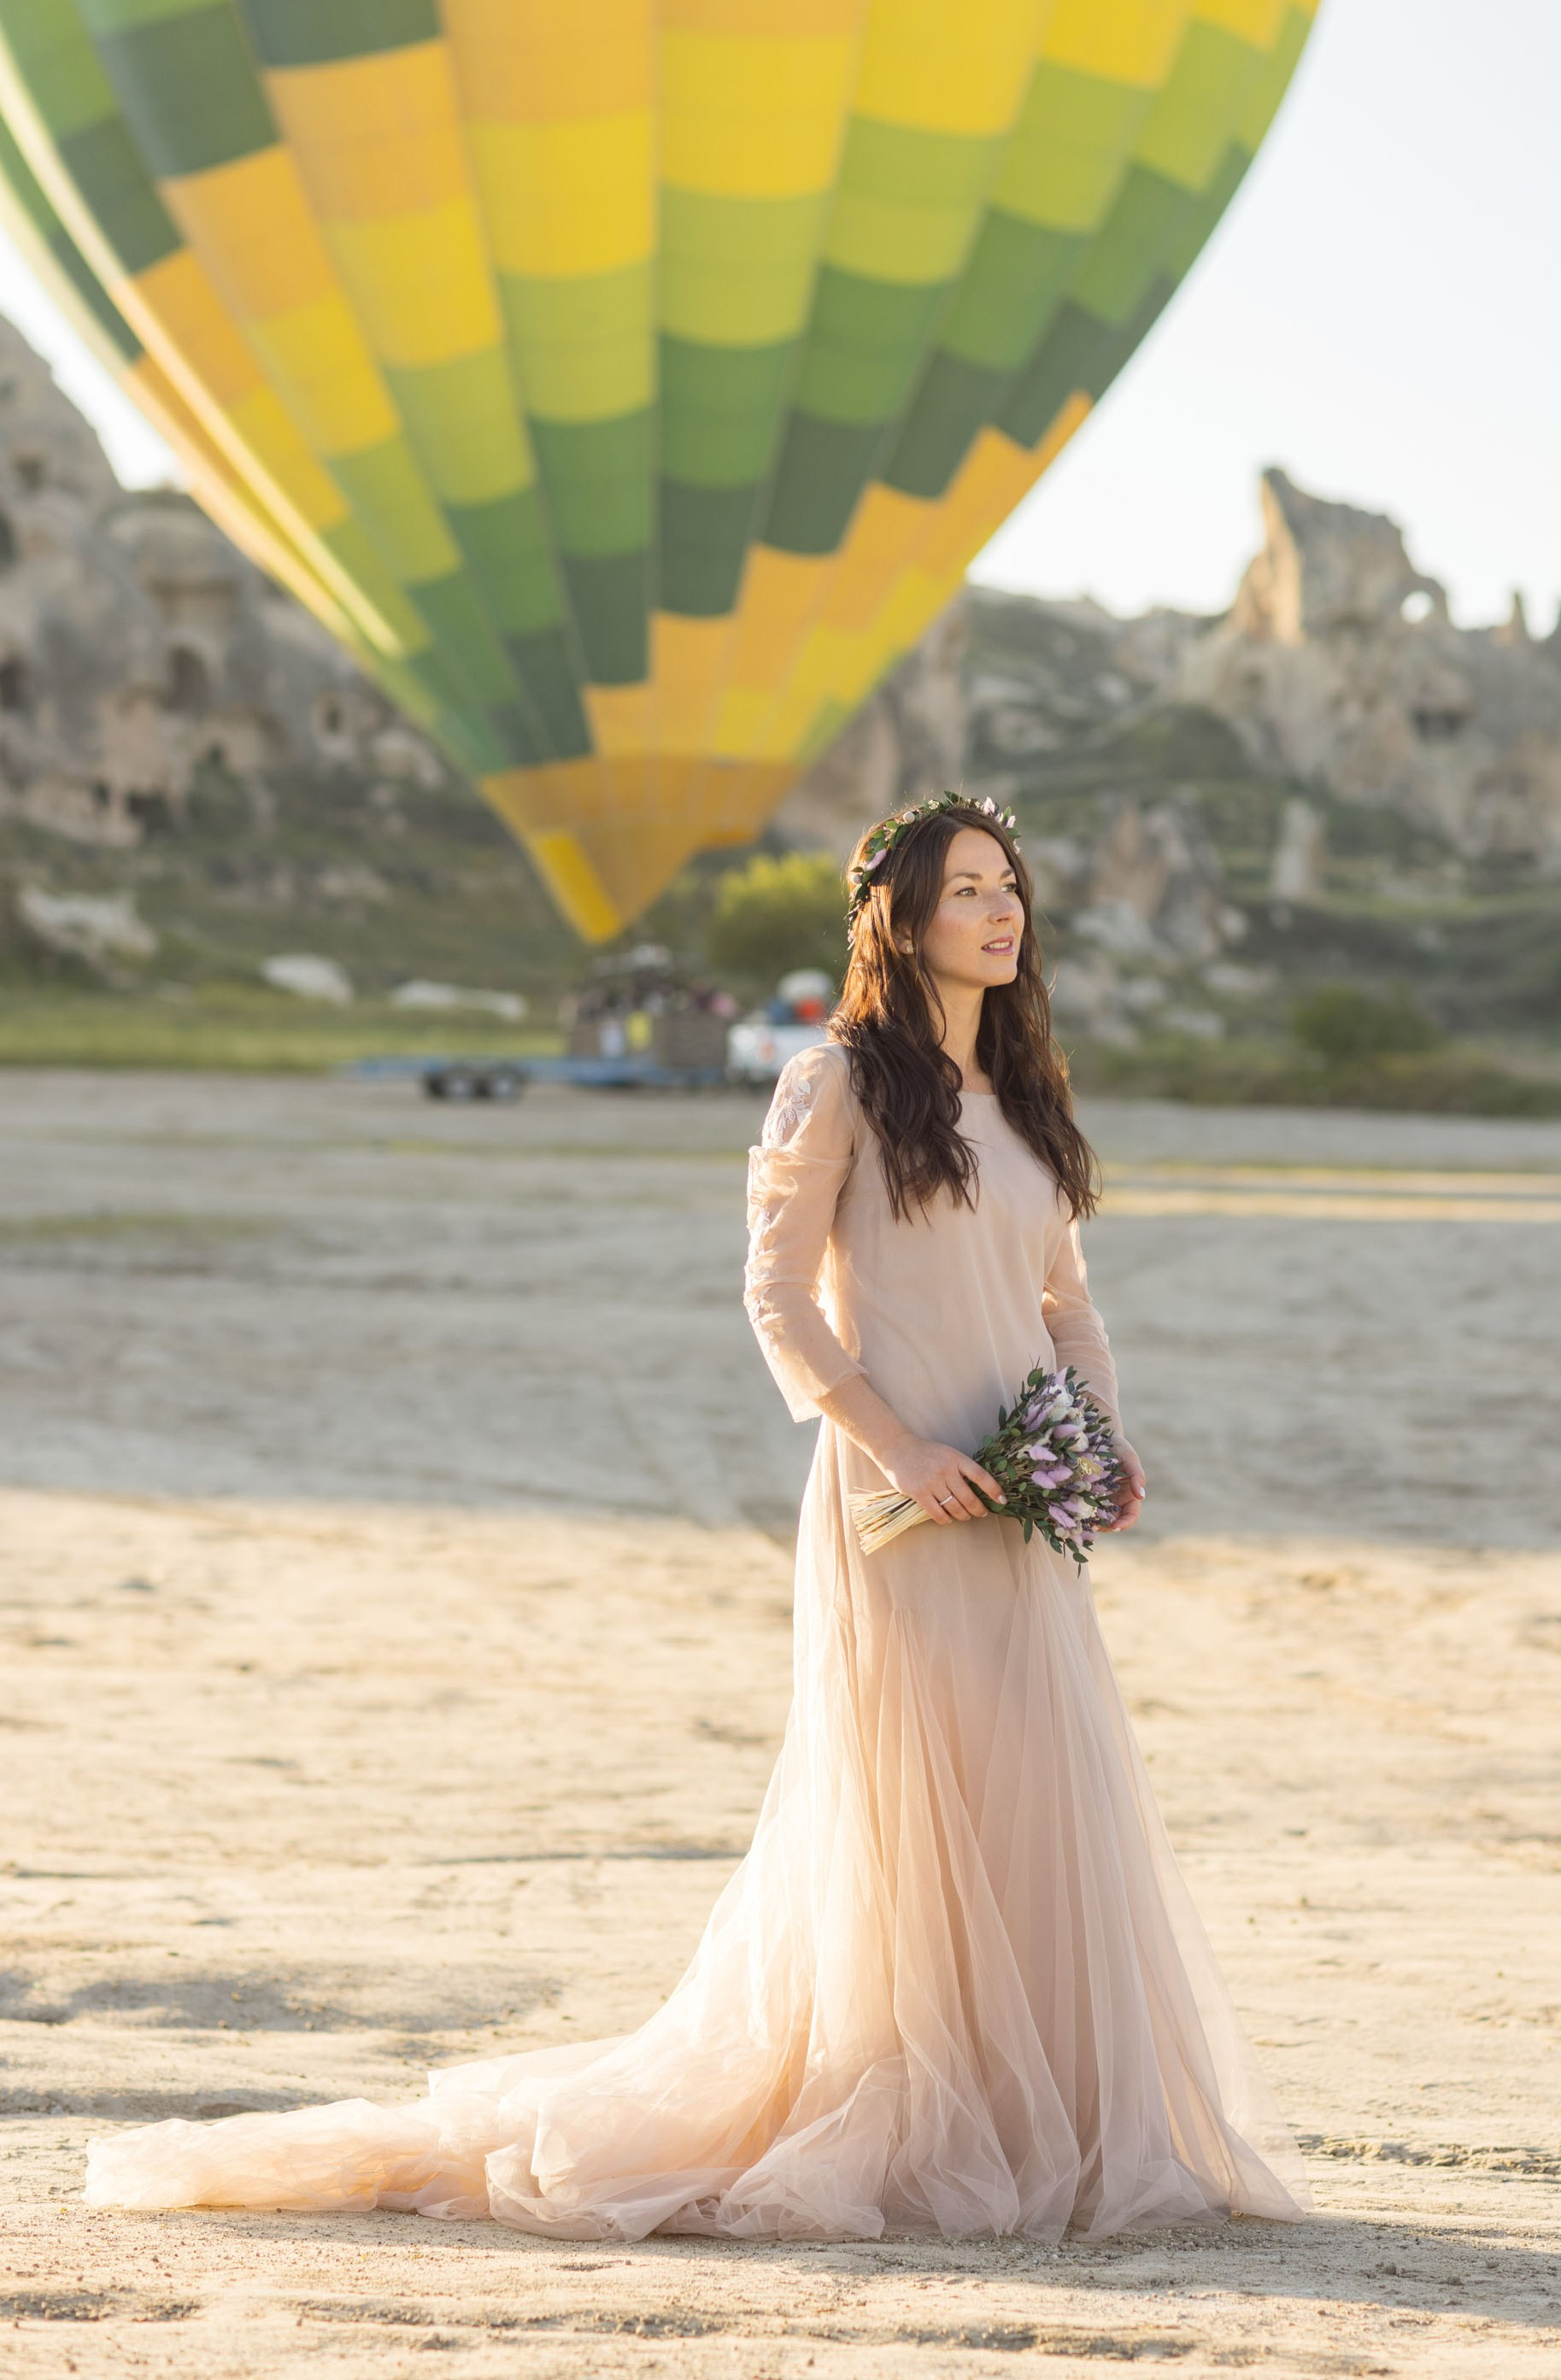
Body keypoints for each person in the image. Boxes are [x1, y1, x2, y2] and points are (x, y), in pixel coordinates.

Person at [86, 792, 1310, 2238]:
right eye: (966, 889)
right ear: (900, 922)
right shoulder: (836, 1082)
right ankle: (913, 2110)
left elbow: (1065, 1305)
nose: (1000, 911)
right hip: (895, 1500)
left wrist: (1095, 1438)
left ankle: (1050, 2115)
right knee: (914, 1812)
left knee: (1039, 1797)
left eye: (1009, 886)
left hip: (1019, 1505)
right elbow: (777, 1295)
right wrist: (897, 1447)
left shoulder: (1029, 1094)